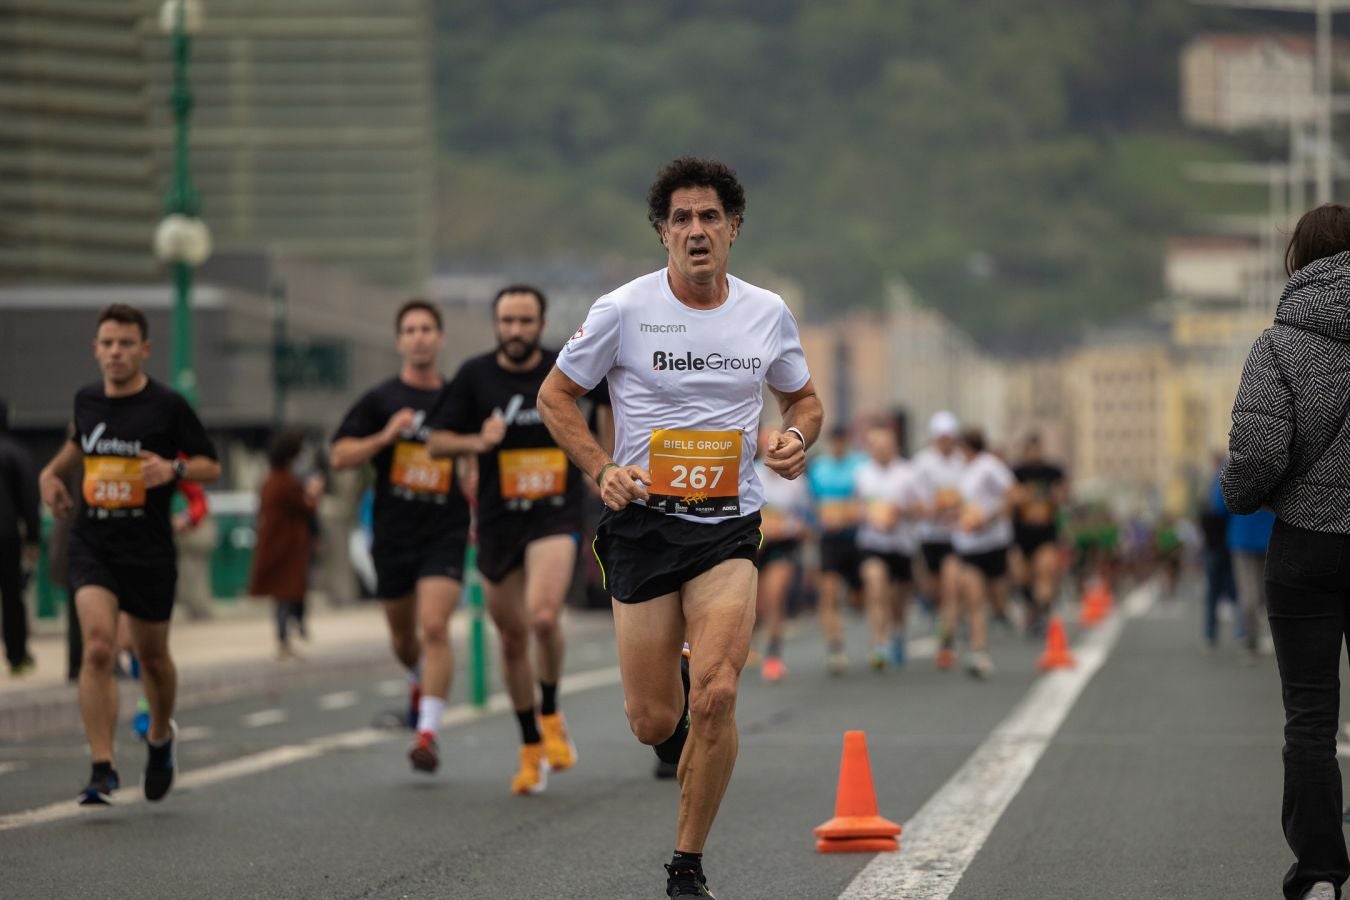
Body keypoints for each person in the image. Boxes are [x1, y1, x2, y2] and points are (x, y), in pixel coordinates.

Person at [537, 157, 822, 899]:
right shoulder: (622, 310)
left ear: (734, 229)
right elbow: (555, 397)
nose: (696, 230)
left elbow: (804, 401)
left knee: (719, 693)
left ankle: (686, 866)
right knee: (652, 719)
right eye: (682, 219)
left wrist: (796, 438)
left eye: (709, 217)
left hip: (727, 527)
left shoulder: (767, 312)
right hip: (642, 526)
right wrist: (601, 467)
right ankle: (684, 698)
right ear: (663, 232)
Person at [427, 284, 612, 794]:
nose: (515, 331)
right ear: (496, 324)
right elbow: (436, 441)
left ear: (541, 324)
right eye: (507, 321)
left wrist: (602, 461)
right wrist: (476, 441)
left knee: (544, 616)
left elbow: (609, 399)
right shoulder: (474, 375)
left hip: (554, 512)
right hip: (497, 520)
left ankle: (551, 713)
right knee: (511, 638)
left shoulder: (563, 365)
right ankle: (530, 745)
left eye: (525, 321)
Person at [37, 304, 220, 805]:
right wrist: (50, 473)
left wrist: (173, 469)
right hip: (93, 541)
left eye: (125, 343)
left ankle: (160, 739)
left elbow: (211, 466)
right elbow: (79, 444)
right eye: (107, 343)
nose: (115, 352)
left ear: (144, 349)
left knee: (153, 659)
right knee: (98, 646)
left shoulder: (168, 406)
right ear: (95, 349)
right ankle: (103, 767)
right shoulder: (87, 400)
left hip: (149, 549)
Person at [1223, 203, 1350, 900]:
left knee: (1310, 718)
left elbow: (1259, 454)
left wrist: (1240, 495)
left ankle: (1322, 874)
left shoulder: (1279, 345)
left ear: (1298, 260)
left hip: (1305, 545)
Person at [330, 298, 470, 775]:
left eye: (427, 329)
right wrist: (385, 437)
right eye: (410, 330)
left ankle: (427, 732)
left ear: (440, 338)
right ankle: (417, 676)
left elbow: (476, 453)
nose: (419, 337)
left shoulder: (456, 399)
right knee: (404, 638)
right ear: (399, 342)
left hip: (445, 530)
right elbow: (339, 456)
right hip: (392, 533)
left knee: (434, 628)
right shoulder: (380, 400)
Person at [249, 431, 324, 660]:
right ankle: (286, 639)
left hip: (277, 544)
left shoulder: (271, 480)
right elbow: (305, 507)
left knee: (283, 595)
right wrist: (314, 494)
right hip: (286, 547)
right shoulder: (285, 482)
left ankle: (286, 638)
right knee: (287, 593)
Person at [853, 418, 920, 671]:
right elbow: (855, 506)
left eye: (885, 446)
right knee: (875, 586)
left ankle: (898, 632)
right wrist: (867, 514)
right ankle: (879, 642)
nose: (881, 450)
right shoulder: (862, 473)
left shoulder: (908, 473)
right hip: (871, 542)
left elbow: (922, 508)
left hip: (901, 545)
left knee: (898, 602)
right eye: (876, 446)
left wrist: (899, 511)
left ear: (894, 446)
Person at [951, 427, 1013, 679]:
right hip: (969, 545)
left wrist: (988, 518)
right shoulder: (962, 470)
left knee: (996, 596)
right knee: (974, 597)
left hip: (994, 542)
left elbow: (1013, 495)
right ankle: (978, 651)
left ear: (968, 446)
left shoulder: (989, 466)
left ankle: (1001, 614)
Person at [753, 427, 811, 683]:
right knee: (753, 605)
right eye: (768, 444)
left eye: (777, 445)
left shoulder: (796, 481)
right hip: (753, 545)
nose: (772, 449)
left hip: (782, 546)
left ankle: (774, 655)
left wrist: (788, 527)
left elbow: (808, 519)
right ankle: (748, 647)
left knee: (774, 596)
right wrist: (761, 525)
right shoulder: (750, 474)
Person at [805, 426, 864, 674]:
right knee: (828, 592)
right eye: (835, 442)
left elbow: (867, 498)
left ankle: (859, 604)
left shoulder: (860, 465)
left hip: (857, 538)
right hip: (829, 539)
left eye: (842, 441)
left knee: (859, 599)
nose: (838, 446)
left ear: (847, 442)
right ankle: (835, 648)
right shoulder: (818, 468)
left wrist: (851, 514)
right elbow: (809, 503)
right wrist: (817, 520)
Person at [913, 411, 967, 669]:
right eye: (941, 438)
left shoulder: (962, 462)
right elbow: (915, 499)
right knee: (934, 591)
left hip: (955, 536)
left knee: (951, 587)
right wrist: (933, 509)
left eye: (949, 438)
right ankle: (940, 619)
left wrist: (960, 509)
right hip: (929, 535)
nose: (946, 442)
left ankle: (947, 642)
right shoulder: (922, 463)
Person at [1009, 433, 1067, 636]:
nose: (1035, 453)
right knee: (1022, 578)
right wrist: (1017, 497)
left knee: (1044, 572)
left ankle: (1042, 612)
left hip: (1045, 534)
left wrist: (1057, 496)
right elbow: (1009, 498)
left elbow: (1064, 495)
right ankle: (1032, 607)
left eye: (1038, 449)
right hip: (1021, 535)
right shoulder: (1016, 472)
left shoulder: (1053, 472)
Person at [0, 398, 40, 676]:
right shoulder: (15, 452)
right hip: (6, 534)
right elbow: (29, 497)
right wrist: (33, 537)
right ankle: (16, 656)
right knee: (12, 595)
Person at [1201, 456, 1239, 650]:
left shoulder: (1215, 487)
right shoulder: (1233, 482)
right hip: (1230, 547)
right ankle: (1242, 633)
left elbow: (1215, 510)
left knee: (1213, 594)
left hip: (1215, 549)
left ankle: (1210, 634)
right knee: (1236, 592)